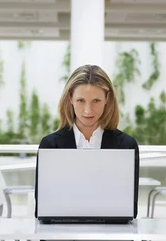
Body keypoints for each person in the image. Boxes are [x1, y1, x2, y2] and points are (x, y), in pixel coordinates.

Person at [34, 64, 140, 218]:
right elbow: (43, 210)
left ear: (107, 99)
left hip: (111, 234)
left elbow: (131, 210)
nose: (88, 110)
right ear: (70, 98)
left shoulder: (126, 146)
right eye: (81, 100)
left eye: (96, 100)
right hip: (62, 234)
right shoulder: (50, 146)